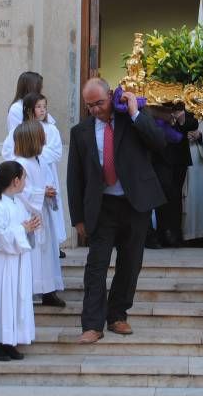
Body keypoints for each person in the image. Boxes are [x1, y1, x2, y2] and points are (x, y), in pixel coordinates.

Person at [67, 78, 167, 344]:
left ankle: (118, 315)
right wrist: (77, 217)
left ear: (111, 95)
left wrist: (134, 112)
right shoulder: (81, 132)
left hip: (135, 204)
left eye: (99, 103)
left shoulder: (132, 120)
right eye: (90, 106)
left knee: (130, 263)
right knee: (96, 267)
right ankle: (91, 324)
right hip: (102, 208)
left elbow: (160, 143)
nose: (95, 110)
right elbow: (74, 177)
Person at [0, 161, 39, 361]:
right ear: (15, 181)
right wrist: (23, 230)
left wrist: (30, 229)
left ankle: (9, 341)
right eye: (24, 177)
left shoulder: (17, 203)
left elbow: (23, 231)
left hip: (17, 262)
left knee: (14, 300)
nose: (26, 181)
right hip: (1, 264)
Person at [12, 121, 65, 308]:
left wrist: (49, 190)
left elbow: (47, 180)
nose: (45, 138)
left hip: (43, 211)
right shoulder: (20, 164)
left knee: (47, 254)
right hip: (30, 214)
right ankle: (31, 290)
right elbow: (21, 190)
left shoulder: (40, 160)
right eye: (42, 135)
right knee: (34, 254)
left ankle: (49, 291)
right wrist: (42, 193)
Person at [152, 104, 199, 247]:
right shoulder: (155, 97)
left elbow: (193, 122)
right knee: (162, 194)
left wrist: (181, 119)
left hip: (179, 157)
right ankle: (162, 234)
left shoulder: (185, 98)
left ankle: (175, 235)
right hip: (159, 155)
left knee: (176, 195)